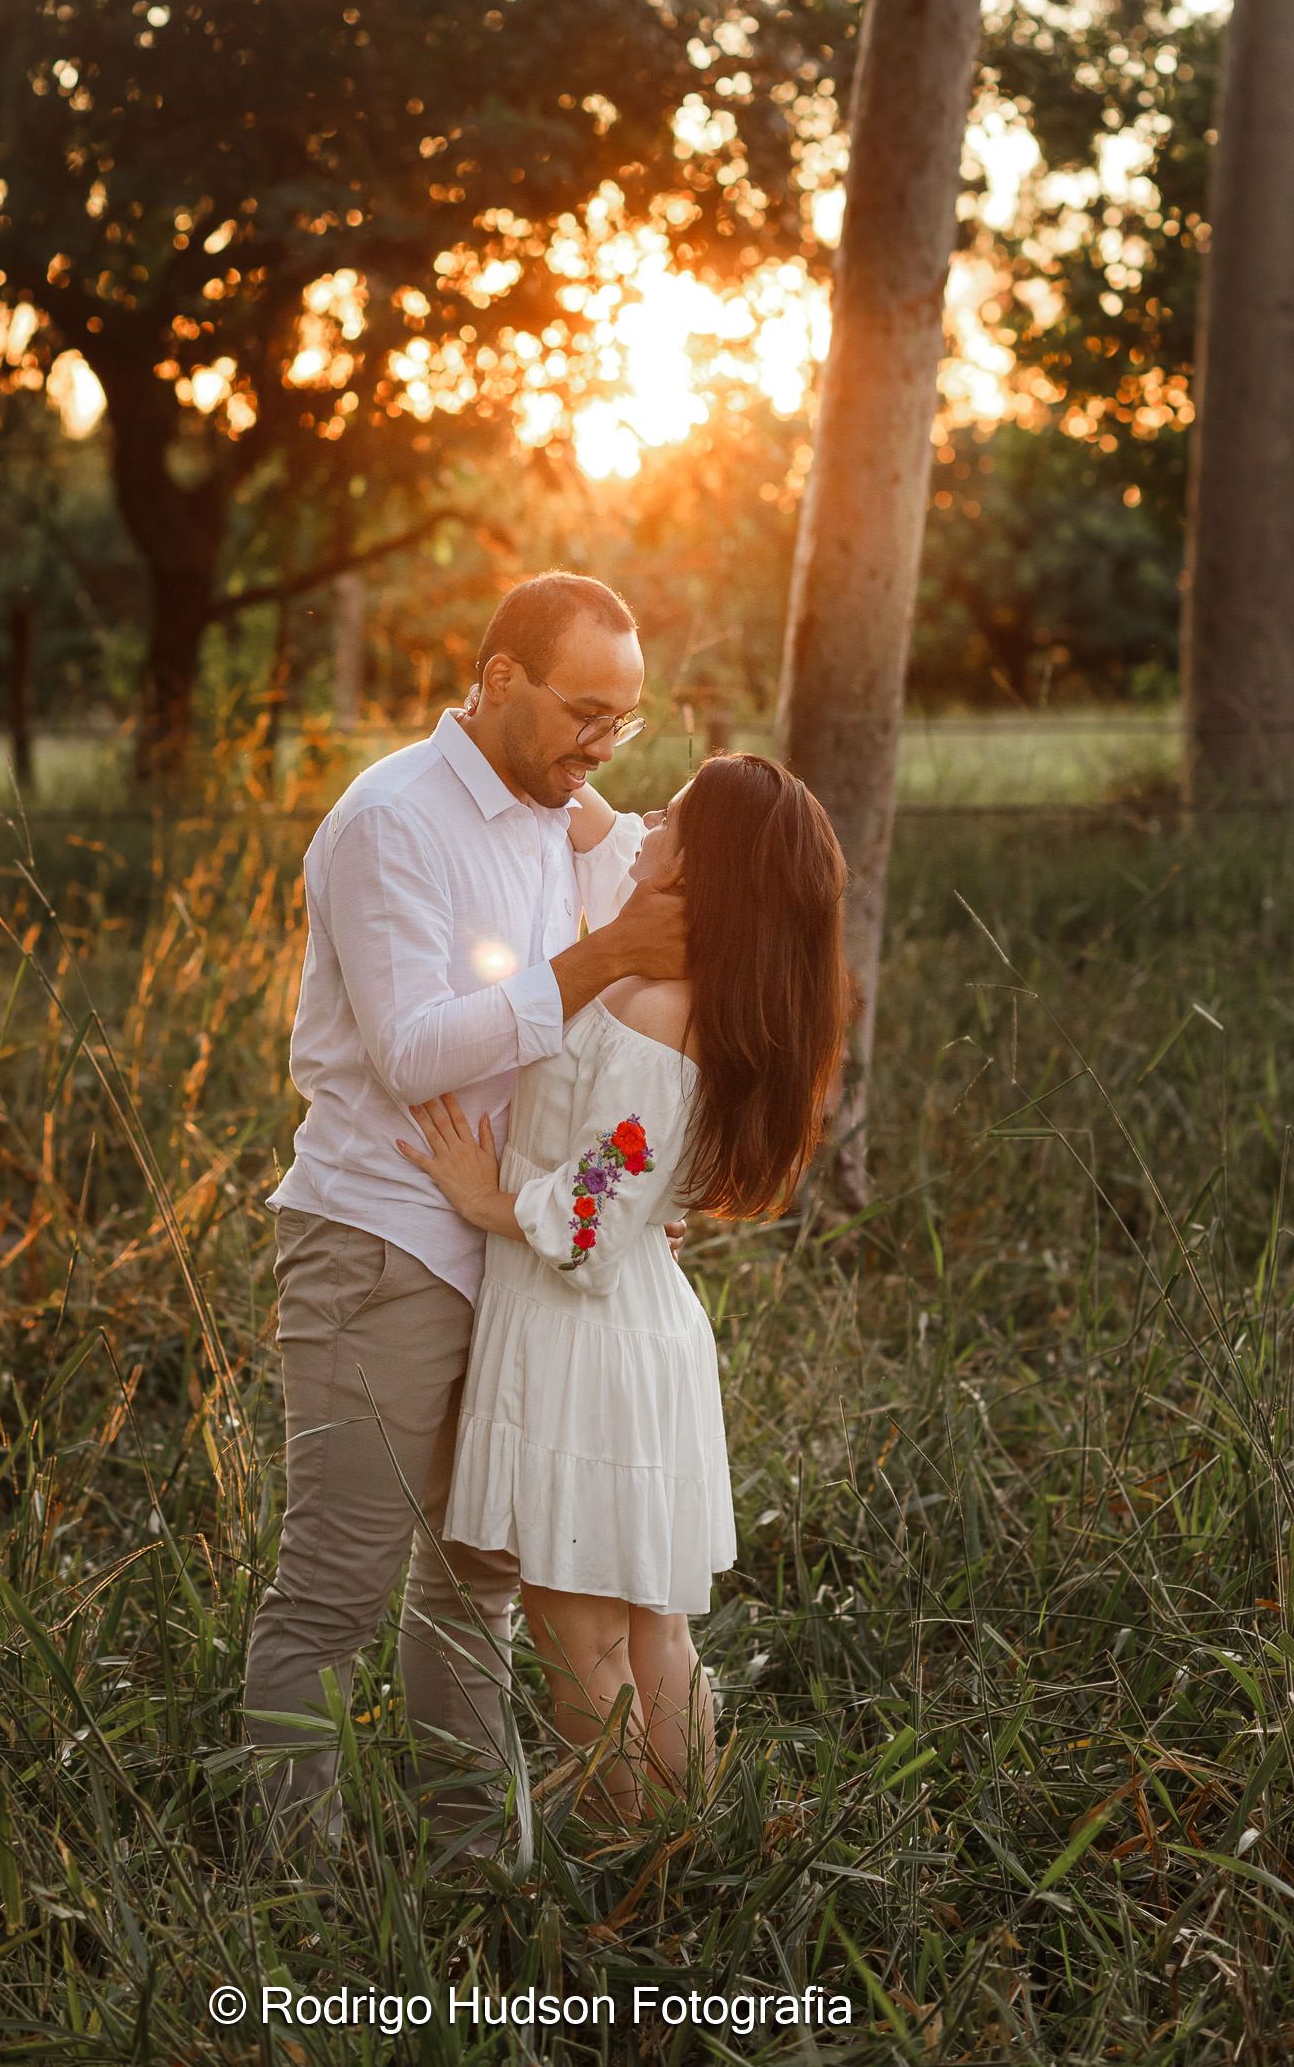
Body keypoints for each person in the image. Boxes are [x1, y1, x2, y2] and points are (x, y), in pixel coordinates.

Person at [242, 571, 690, 1857]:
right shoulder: (393, 821)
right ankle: (301, 1895)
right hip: (381, 1241)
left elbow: (674, 891)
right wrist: (602, 957)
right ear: (497, 683)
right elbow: (413, 1052)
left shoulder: (558, 808)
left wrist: (640, 1181)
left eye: (627, 719)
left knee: (473, 1585)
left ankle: (473, 1862)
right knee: (335, 1588)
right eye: (584, 711)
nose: (602, 744)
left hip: (509, 1252)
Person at [396, 752, 851, 1824]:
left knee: (578, 1637)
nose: (644, 818)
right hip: (631, 1333)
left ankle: (622, 1880)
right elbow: (601, 825)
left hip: (584, 1336)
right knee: (652, 1632)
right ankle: (681, 1869)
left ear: (704, 868)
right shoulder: (703, 983)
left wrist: (482, 1192)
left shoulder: (654, 1010)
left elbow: (592, 1221)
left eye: (672, 816)